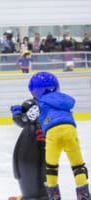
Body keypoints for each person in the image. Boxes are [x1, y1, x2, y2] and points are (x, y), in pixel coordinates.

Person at [28, 71, 90, 200]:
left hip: (53, 133)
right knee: (78, 165)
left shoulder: (40, 104)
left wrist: (17, 110)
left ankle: (54, 195)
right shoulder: (64, 100)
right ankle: (84, 193)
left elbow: (29, 117)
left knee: (51, 166)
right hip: (70, 130)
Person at [10, 99, 48, 200]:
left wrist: (17, 171)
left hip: (30, 191)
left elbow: (20, 156)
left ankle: (31, 196)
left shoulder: (31, 130)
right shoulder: (41, 127)